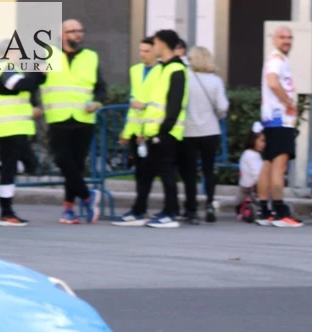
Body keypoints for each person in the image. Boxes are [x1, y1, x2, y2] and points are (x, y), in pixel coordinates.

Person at [112, 29, 190, 228]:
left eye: (154, 44)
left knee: (166, 173)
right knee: (145, 173)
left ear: (162, 45)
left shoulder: (176, 70)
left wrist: (162, 132)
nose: (151, 48)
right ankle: (139, 210)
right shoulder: (164, 69)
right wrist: (144, 132)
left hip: (165, 134)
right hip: (152, 133)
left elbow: (174, 106)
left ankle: (171, 212)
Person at [42, 19, 105, 225]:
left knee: (76, 166)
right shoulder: (47, 55)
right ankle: (88, 196)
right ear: (62, 34)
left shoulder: (91, 57)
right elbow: (33, 81)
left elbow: (101, 88)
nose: (78, 34)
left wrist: (97, 102)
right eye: (73, 31)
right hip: (58, 118)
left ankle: (68, 209)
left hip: (84, 118)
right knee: (63, 161)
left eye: (81, 30)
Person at [0, 43, 45, 226]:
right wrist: (40, 74)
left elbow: (19, 90)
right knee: (10, 170)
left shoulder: (10, 68)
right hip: (7, 128)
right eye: (17, 51)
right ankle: (6, 213)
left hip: (17, 127)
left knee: (30, 164)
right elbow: (19, 85)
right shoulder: (2, 67)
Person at [257, 25, 303, 228]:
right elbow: (273, 83)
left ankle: (264, 209)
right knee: (279, 165)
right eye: (282, 37)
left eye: (289, 37)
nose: (287, 41)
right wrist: (289, 103)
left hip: (271, 120)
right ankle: (279, 210)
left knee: (268, 164)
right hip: (280, 120)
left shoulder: (275, 58)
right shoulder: (277, 59)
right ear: (274, 39)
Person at [180, 45, 229, 224]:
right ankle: (209, 204)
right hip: (210, 130)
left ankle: (191, 209)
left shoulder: (186, 79)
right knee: (208, 170)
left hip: (188, 131)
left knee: (190, 172)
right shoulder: (215, 81)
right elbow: (222, 107)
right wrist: (216, 115)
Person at [118, 37, 160, 220]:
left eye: (147, 51)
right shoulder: (135, 70)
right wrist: (127, 132)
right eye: (141, 50)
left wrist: (145, 130)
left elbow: (156, 103)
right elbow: (133, 105)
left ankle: (139, 208)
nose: (142, 54)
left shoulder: (161, 71)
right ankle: (140, 207)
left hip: (151, 129)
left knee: (147, 172)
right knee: (139, 172)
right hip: (135, 129)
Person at [235, 123, 266, 221]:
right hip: (248, 188)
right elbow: (256, 173)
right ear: (253, 140)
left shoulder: (254, 154)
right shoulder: (250, 155)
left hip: (253, 186)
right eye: (261, 141)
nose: (263, 144)